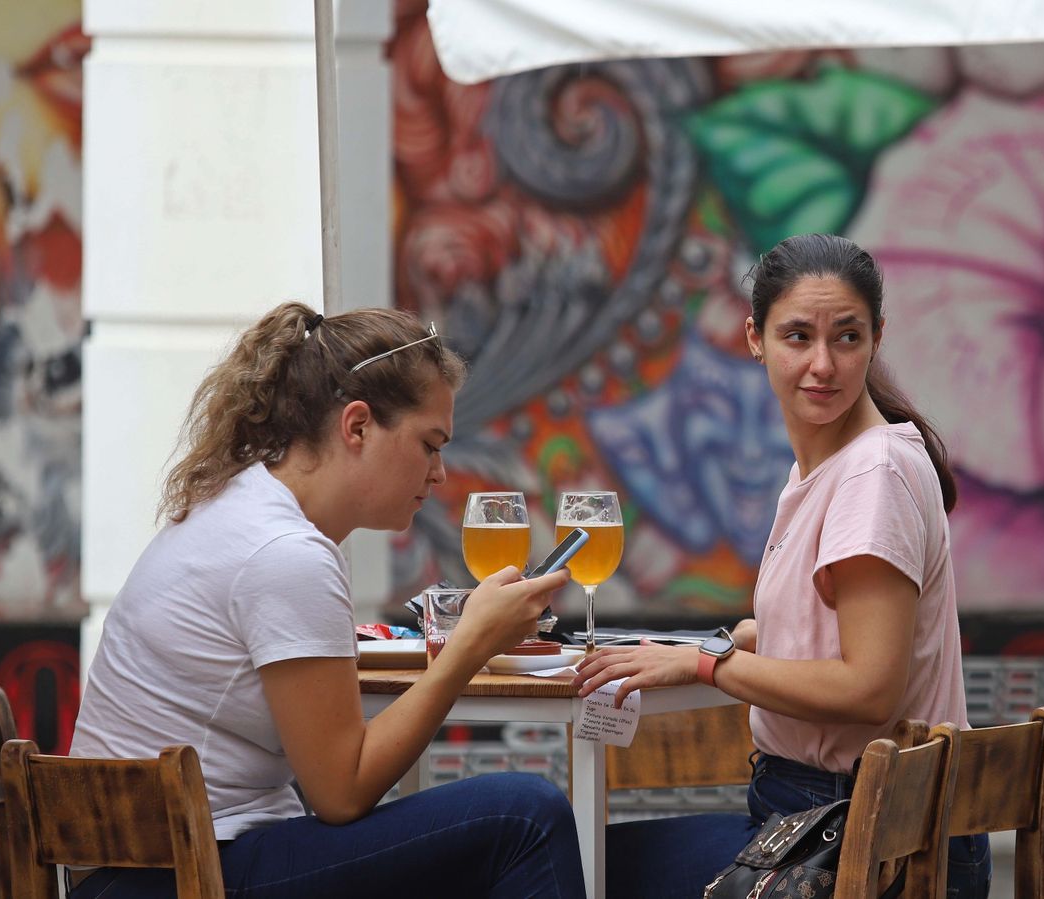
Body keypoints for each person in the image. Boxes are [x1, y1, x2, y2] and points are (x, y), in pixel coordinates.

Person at [68, 302, 583, 898]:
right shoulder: (286, 551)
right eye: (429, 444)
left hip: (148, 865)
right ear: (358, 426)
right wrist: (467, 647)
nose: (440, 473)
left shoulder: (248, 509)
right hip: (175, 876)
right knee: (524, 817)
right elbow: (340, 793)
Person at [576, 233, 992, 898]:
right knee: (588, 856)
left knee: (576, 864)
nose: (822, 364)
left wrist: (708, 663)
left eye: (846, 338)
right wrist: (757, 637)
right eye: (798, 336)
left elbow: (870, 688)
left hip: (862, 841)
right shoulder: (835, 466)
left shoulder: (871, 475)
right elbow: (858, 638)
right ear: (754, 338)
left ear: (877, 338)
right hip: (846, 823)